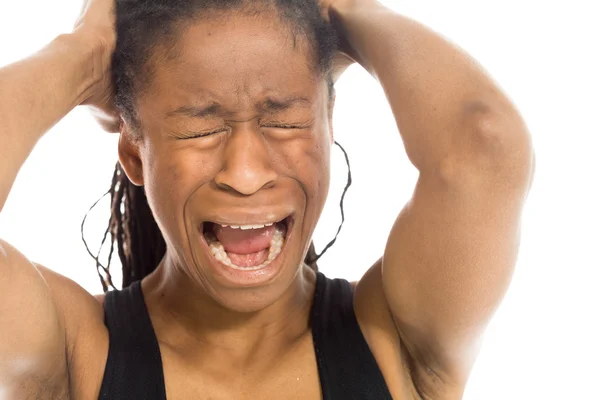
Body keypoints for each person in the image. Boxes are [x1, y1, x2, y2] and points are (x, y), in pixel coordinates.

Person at [0, 0, 535, 398]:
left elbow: (484, 145)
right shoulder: (77, 357)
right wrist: (83, 56)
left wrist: (344, 10)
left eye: (284, 120)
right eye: (198, 131)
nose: (247, 174)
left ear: (329, 126)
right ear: (136, 153)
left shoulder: (393, 342)